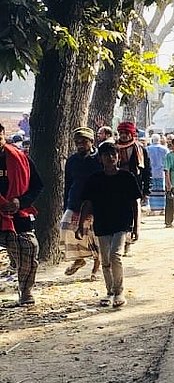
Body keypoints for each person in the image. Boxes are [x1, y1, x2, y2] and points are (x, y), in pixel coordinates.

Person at [77, 141, 141, 308]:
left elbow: (135, 203)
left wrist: (136, 227)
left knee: (115, 256)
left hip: (122, 223)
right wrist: (80, 225)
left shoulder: (127, 177)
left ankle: (119, 291)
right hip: (102, 223)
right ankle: (110, 291)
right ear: (100, 159)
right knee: (105, 260)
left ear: (118, 157)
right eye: (106, 155)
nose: (110, 158)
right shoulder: (94, 179)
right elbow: (87, 203)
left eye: (113, 155)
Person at [0, 124, 43, 306]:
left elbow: (37, 186)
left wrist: (20, 202)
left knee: (29, 249)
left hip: (18, 213)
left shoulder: (21, 158)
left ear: (3, 136)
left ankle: (25, 291)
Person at [63, 127, 102, 278]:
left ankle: (96, 267)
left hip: (95, 203)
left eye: (84, 142)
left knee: (95, 236)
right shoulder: (72, 160)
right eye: (77, 142)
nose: (80, 145)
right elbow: (68, 183)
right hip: (75, 201)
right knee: (67, 230)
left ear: (91, 142)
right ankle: (79, 259)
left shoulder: (99, 158)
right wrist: (65, 204)